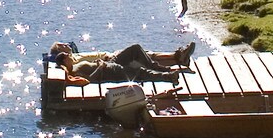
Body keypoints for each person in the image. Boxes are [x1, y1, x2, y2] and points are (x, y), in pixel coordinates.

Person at [50, 40, 193, 84]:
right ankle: (168, 75)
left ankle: (164, 69)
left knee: (135, 49)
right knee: (139, 72)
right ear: (63, 60)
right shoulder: (74, 70)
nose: (69, 54)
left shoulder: (75, 62)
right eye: (65, 55)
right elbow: (87, 81)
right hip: (107, 68)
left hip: (109, 61)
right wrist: (99, 67)